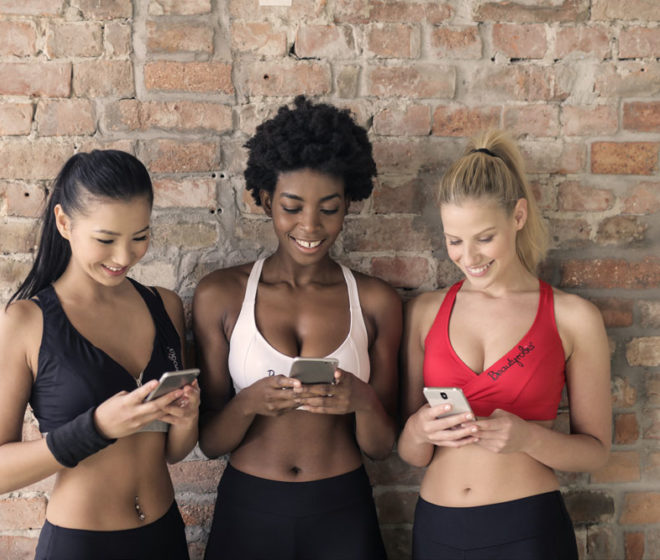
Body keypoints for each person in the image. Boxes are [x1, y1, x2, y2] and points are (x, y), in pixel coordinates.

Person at [193, 96, 401, 560]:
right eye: (292, 206)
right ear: (266, 199)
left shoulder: (375, 300)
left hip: (341, 507)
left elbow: (383, 448)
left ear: (349, 203)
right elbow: (208, 442)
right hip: (250, 507)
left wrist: (361, 401)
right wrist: (250, 403)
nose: (310, 225)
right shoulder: (220, 295)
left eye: (329, 208)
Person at [0, 150, 199, 560]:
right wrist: (96, 427)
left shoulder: (163, 305)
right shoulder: (23, 322)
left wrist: (186, 418)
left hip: (164, 537)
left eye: (140, 237)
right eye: (106, 240)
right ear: (64, 222)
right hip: (81, 546)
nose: (123, 258)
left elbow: (173, 451)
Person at [398, 130, 612, 559]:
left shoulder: (573, 317)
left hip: (527, 532)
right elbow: (411, 454)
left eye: (484, 237)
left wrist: (528, 438)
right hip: (438, 530)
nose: (469, 257)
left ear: (518, 216)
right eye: (454, 241)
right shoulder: (424, 312)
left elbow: (595, 453)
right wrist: (418, 429)